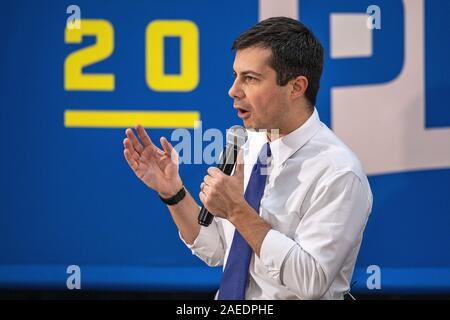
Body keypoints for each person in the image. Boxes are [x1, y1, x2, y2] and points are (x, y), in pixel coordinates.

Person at [123, 17, 373, 300]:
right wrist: (174, 193)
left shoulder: (338, 172)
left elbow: (312, 281)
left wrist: (237, 211)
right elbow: (218, 249)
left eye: (251, 78)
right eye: (235, 75)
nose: (233, 91)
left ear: (296, 87)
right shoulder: (246, 143)